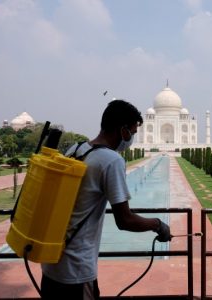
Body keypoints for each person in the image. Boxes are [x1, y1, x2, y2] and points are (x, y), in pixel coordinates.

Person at [41, 100, 171, 300]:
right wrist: (158, 224)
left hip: (51, 263)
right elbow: (124, 220)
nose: (132, 139)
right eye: (133, 133)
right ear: (123, 130)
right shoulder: (111, 160)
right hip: (76, 270)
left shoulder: (77, 149)